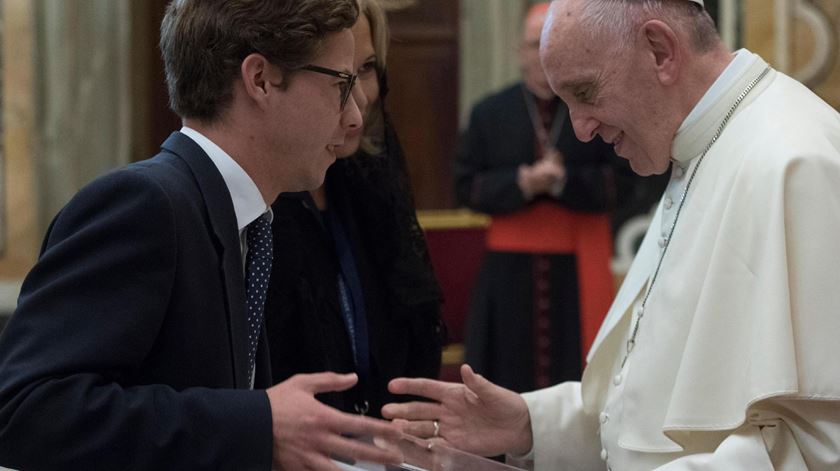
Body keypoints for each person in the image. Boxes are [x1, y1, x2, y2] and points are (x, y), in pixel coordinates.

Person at [382, 0, 840, 469]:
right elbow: (657, 412)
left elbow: (816, 446)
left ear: (660, 51)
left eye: (586, 92)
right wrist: (530, 424)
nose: (580, 130)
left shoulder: (794, 164)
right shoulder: (698, 146)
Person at [0, 1, 404, 470]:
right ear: (260, 80)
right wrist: (257, 424)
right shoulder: (145, 203)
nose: (355, 117)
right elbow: (23, 411)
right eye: (341, 84)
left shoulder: (243, 216)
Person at [265, 0, 445, 418]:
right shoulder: (262, 198)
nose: (360, 97)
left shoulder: (371, 183)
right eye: (343, 76)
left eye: (366, 69)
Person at [454, 3, 623, 392]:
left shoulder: (599, 109)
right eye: (535, 44)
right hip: (507, 276)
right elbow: (465, 187)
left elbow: (625, 183)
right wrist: (523, 184)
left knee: (578, 375)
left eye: (552, 45)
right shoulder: (489, 113)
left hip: (577, 272)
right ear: (519, 51)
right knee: (504, 375)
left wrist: (564, 183)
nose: (543, 55)